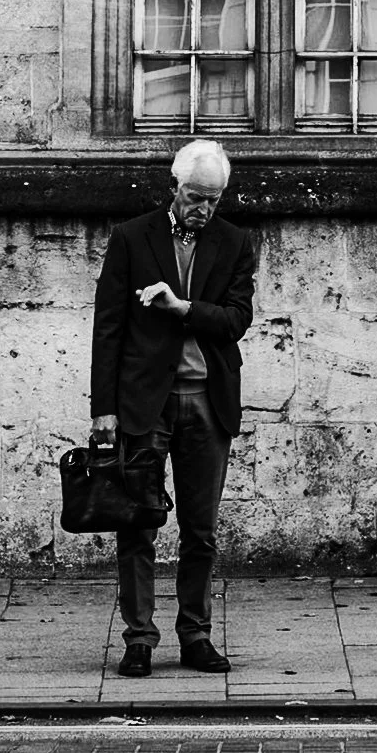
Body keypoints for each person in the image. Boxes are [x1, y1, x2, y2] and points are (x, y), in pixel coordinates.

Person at [91, 139, 257, 676]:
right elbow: (108, 328)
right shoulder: (131, 238)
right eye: (195, 197)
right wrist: (104, 410)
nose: (203, 209)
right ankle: (139, 638)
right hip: (144, 404)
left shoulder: (234, 243)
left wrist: (180, 307)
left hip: (208, 403)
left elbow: (236, 321)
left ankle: (196, 634)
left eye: (214, 199)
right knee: (137, 525)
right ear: (174, 186)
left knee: (200, 530)